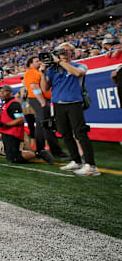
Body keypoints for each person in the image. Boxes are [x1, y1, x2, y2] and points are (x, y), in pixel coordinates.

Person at [40, 43, 100, 176]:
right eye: (61, 51)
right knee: (65, 133)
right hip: (58, 104)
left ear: (72, 53)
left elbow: (79, 73)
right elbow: (44, 88)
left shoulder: (78, 65)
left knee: (80, 133)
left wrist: (60, 62)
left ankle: (91, 165)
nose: (63, 52)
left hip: (74, 102)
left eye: (66, 51)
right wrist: (43, 74)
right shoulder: (53, 69)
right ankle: (76, 160)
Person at [0, 86, 55, 165]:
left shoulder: (14, 104)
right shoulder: (6, 104)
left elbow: (20, 119)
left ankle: (39, 154)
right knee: (10, 156)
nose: (1, 94)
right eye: (1, 92)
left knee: (14, 157)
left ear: (10, 93)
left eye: (4, 91)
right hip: (7, 132)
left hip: (12, 133)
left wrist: (5, 124)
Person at [23, 56, 68, 159]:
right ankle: (56, 151)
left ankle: (40, 150)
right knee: (48, 125)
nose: (39, 62)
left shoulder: (36, 72)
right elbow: (34, 87)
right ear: (30, 64)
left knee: (40, 125)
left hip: (38, 99)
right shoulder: (32, 72)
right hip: (38, 99)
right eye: (36, 61)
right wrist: (42, 101)